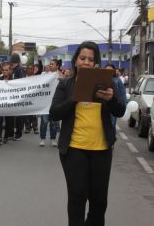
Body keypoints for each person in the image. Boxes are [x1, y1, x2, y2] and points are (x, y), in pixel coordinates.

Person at [49, 41, 126, 226]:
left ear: (95, 63)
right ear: (75, 61)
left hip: (102, 149)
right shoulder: (66, 85)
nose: (86, 62)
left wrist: (111, 99)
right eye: (82, 58)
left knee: (99, 201)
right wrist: (75, 97)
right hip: (74, 148)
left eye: (91, 60)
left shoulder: (106, 84)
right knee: (77, 196)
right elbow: (54, 113)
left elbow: (120, 111)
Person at [39, 59, 61, 147]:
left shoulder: (60, 76)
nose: (50, 65)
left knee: (54, 123)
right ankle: (42, 139)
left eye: (52, 64)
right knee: (44, 122)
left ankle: (53, 139)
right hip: (45, 103)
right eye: (50, 64)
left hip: (55, 104)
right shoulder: (44, 75)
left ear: (57, 66)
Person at [105, 64, 127, 132]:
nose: (108, 72)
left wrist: (122, 106)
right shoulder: (101, 79)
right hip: (103, 107)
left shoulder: (117, 80)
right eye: (106, 70)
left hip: (113, 106)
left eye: (110, 70)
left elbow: (122, 94)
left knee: (111, 125)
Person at [10, 54, 25, 140]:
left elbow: (21, 82)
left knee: (19, 116)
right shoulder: (15, 69)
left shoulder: (19, 69)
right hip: (14, 94)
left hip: (18, 95)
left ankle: (18, 133)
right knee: (15, 115)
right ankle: (15, 132)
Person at [0, 62, 14, 144]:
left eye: (6, 70)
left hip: (10, 103)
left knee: (9, 121)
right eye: (3, 70)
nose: (5, 71)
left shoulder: (14, 81)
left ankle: (6, 136)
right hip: (0, 103)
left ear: (9, 71)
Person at [24, 64, 39, 134]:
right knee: (27, 114)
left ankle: (35, 128)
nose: (29, 70)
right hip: (26, 98)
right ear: (26, 70)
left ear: (33, 70)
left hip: (34, 98)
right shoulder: (24, 77)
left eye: (31, 69)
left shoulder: (36, 78)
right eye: (28, 68)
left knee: (34, 114)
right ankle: (27, 127)